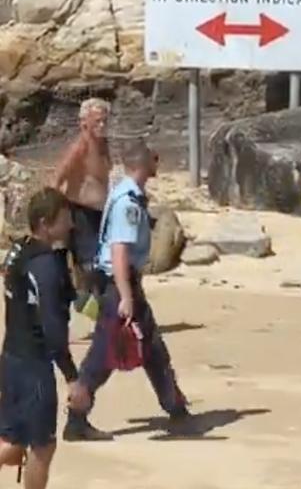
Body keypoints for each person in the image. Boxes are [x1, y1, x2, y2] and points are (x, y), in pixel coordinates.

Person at [65, 140, 191, 442]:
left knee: (151, 348)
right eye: (155, 158)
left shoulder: (124, 194)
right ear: (143, 164)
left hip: (120, 283)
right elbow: (119, 251)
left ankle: (175, 406)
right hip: (119, 284)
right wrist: (126, 297)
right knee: (102, 357)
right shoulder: (128, 203)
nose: (158, 163)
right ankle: (76, 419)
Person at [0, 189, 91, 488]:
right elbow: (53, 329)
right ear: (44, 223)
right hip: (33, 370)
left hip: (10, 359)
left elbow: (49, 298)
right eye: (65, 219)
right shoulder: (46, 265)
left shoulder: (19, 252)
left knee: (13, 444)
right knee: (42, 445)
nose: (71, 225)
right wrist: (72, 377)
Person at [48, 97, 112, 318]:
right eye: (98, 122)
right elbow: (57, 178)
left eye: (105, 121)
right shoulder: (80, 147)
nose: (102, 126)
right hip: (80, 212)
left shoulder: (103, 144)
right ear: (84, 123)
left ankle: (97, 309)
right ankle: (84, 304)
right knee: (91, 265)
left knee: (103, 264)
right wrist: (53, 213)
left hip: (100, 214)